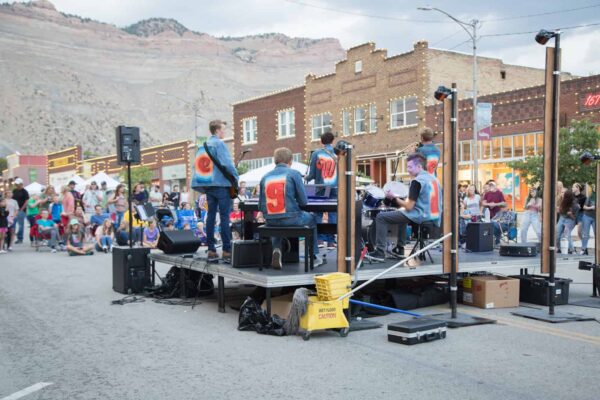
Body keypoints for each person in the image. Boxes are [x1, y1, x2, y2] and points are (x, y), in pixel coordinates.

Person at [368, 153, 442, 260]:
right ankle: (399, 248)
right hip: (434, 216)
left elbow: (409, 206)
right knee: (402, 215)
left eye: (410, 167)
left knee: (380, 217)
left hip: (421, 215)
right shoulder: (435, 180)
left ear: (419, 167)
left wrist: (393, 198)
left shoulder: (417, 181)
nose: (408, 169)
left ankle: (380, 252)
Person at [259, 147, 322, 269]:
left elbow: (260, 206)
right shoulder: (293, 174)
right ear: (290, 161)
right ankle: (313, 256)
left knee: (277, 218)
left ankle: (277, 249)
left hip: (270, 220)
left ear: (275, 161)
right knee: (312, 219)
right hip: (291, 218)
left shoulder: (265, 177)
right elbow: (303, 201)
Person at [191, 120, 238, 262]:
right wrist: (235, 177)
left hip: (208, 186)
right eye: (223, 129)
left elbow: (197, 168)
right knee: (224, 217)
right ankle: (226, 250)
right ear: (217, 130)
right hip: (221, 185)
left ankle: (211, 249)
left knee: (210, 216)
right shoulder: (219, 144)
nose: (224, 132)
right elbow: (227, 164)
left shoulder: (202, 145)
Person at [305, 131, 337, 249]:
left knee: (318, 213)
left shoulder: (316, 154)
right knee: (333, 213)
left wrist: (306, 177)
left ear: (321, 141)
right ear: (333, 141)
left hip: (320, 187)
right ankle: (331, 242)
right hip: (335, 187)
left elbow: (312, 174)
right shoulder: (338, 153)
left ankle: (318, 240)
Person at [556, 189, 579, 254]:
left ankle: (572, 250)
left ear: (568, 197)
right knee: (557, 234)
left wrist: (571, 214)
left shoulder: (575, 205)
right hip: (562, 218)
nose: (563, 197)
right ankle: (558, 248)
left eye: (565, 196)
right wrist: (561, 210)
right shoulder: (563, 201)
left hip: (569, 220)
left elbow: (574, 218)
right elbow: (560, 211)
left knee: (566, 234)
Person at [12, 178, 29, 244]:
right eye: (16, 184)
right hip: (14, 210)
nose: (17, 185)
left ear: (21, 184)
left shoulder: (25, 191)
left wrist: (21, 209)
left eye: (18, 184)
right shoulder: (14, 191)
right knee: (13, 224)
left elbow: (26, 201)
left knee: (20, 225)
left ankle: (20, 238)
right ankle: (12, 237)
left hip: (21, 210)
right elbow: (12, 199)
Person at [580, 191, 595, 255]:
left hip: (596, 218)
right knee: (585, 234)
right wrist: (591, 207)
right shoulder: (590, 197)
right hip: (587, 216)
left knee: (597, 234)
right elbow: (584, 207)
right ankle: (583, 249)